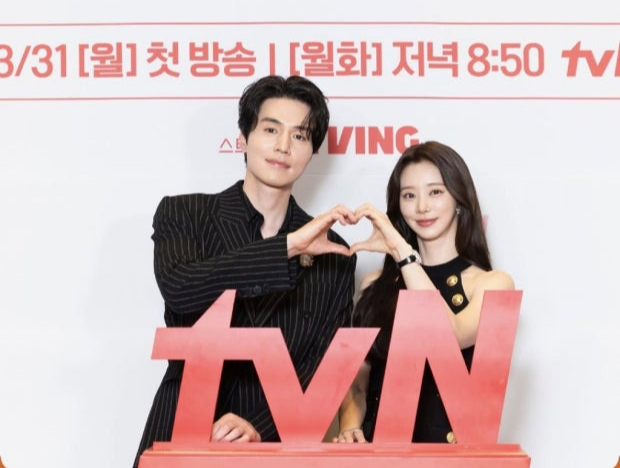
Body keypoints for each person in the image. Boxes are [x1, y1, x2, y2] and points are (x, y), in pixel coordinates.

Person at [133, 75, 357, 466]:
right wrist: (287, 247)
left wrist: (257, 424)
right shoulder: (186, 214)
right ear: (243, 138)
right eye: (271, 129)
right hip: (180, 428)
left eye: (300, 136)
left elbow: (323, 363)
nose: (283, 146)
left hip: (274, 444)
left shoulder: (334, 251)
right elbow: (181, 288)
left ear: (312, 152)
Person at [333, 141, 514, 444]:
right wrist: (349, 428)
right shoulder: (375, 284)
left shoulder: (492, 284)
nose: (421, 207)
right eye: (409, 195)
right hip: (380, 454)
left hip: (448, 458)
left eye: (435, 192)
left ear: (459, 198)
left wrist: (404, 254)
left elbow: (449, 337)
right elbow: (359, 381)